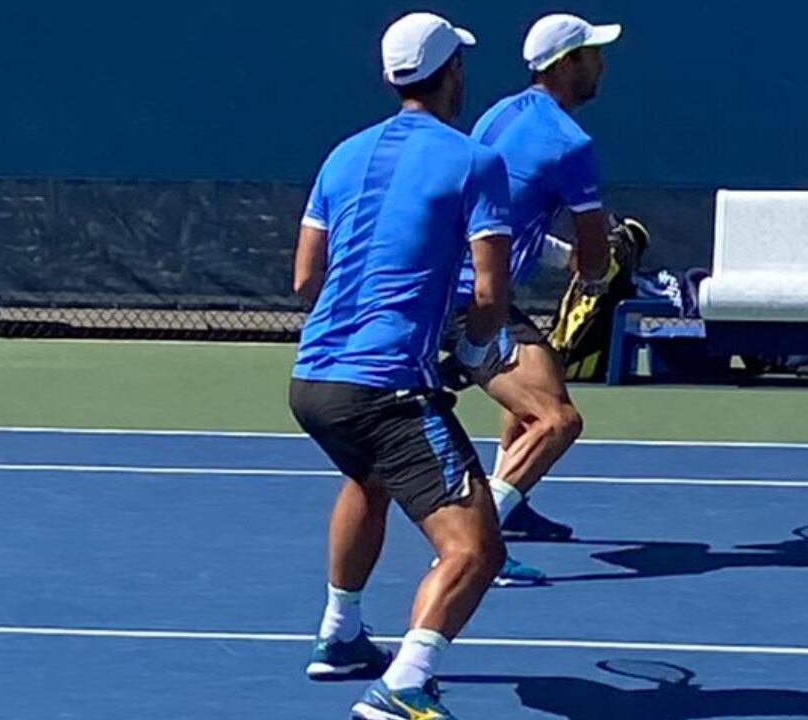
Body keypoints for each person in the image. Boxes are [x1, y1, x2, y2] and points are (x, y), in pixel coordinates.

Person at [288, 12, 514, 720]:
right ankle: (403, 685)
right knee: (476, 550)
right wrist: (474, 348)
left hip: (313, 384)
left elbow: (305, 279)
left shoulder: (341, 156)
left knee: (371, 479)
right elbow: (489, 290)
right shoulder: (476, 160)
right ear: (452, 74)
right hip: (387, 389)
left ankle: (340, 635)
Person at [444, 13, 623, 586]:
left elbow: (496, 211)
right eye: (593, 53)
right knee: (557, 419)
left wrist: (559, 259)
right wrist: (597, 272)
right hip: (470, 302)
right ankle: (483, 536)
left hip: (447, 285)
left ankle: (511, 507)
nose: (602, 63)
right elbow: (595, 258)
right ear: (568, 64)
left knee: (536, 388)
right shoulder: (572, 144)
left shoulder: (500, 113)